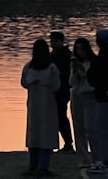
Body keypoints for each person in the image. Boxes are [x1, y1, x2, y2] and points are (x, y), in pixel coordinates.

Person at [21, 38, 61, 176]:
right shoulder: (51, 68)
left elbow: (23, 83)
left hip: (33, 104)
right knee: (46, 134)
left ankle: (33, 165)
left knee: (34, 133)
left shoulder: (28, 67)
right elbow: (57, 86)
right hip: (48, 104)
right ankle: (43, 166)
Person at [86, 27, 108, 174]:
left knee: (100, 128)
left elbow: (93, 78)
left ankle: (102, 160)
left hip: (102, 96)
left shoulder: (100, 59)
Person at [69, 36, 97, 168]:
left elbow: (95, 81)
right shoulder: (73, 63)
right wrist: (75, 71)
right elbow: (71, 83)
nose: (80, 52)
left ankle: (96, 157)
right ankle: (83, 159)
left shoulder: (93, 62)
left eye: (83, 49)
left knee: (90, 128)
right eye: (78, 49)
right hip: (76, 96)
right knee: (78, 128)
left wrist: (83, 71)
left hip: (90, 96)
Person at [49, 30, 74, 152]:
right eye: (52, 41)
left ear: (61, 42)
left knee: (61, 116)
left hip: (63, 90)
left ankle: (68, 143)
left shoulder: (66, 55)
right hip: (56, 90)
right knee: (58, 116)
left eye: (55, 41)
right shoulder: (53, 55)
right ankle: (65, 143)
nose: (53, 43)